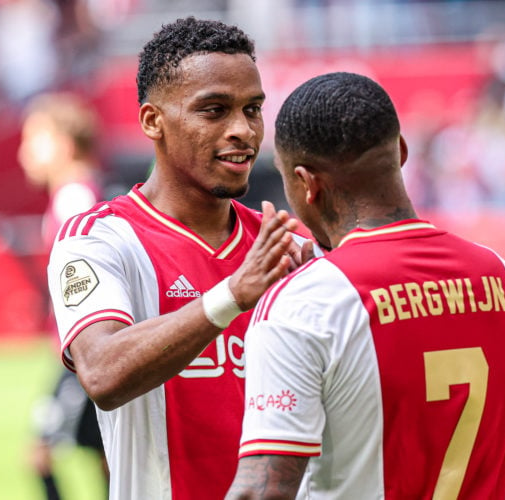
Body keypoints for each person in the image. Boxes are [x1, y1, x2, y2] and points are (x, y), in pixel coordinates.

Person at [225, 72, 505, 499]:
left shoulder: (303, 304)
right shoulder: (504, 279)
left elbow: (262, 491)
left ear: (306, 183)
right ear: (402, 151)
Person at [46, 16, 315, 500]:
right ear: (153, 121)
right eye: (213, 110)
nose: (243, 130)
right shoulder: (101, 239)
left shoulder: (287, 247)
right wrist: (232, 294)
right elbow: (103, 373)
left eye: (253, 109)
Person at [18, 91, 108, 499]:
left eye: (34, 140)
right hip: (84, 351)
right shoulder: (75, 196)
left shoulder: (76, 200)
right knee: (108, 455)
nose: (24, 154)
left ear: (65, 143)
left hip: (83, 353)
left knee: (41, 454)